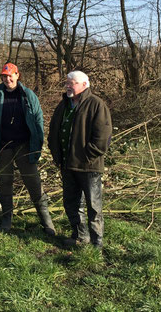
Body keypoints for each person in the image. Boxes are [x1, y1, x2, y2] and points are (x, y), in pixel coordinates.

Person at [0, 63, 56, 235]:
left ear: (17, 75)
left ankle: (47, 222)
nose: (7, 79)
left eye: (10, 76)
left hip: (24, 146)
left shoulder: (28, 95)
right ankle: (7, 219)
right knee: (5, 183)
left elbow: (38, 120)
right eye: (4, 76)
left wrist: (38, 144)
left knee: (33, 182)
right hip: (3, 146)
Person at [48, 70, 112, 249]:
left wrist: (86, 156)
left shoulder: (96, 105)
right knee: (71, 203)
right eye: (67, 82)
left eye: (72, 83)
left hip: (88, 166)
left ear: (84, 85)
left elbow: (103, 137)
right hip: (67, 165)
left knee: (93, 206)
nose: (68, 86)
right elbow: (54, 130)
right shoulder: (64, 105)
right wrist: (56, 153)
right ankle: (80, 236)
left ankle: (96, 243)